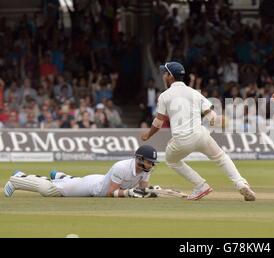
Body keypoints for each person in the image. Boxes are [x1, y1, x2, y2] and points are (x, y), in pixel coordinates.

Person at [141, 62, 256, 201]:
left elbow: (158, 123)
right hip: (201, 135)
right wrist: (215, 120)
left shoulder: (164, 96)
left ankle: (201, 185)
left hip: (182, 140)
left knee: (171, 160)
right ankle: (240, 183)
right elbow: (210, 113)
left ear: (170, 76)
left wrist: (148, 134)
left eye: (165, 73)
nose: (163, 76)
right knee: (221, 157)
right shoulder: (194, 92)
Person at [4, 145, 159, 198]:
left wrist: (151, 191)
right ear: (139, 159)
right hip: (93, 187)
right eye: (149, 161)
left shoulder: (146, 170)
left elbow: (142, 190)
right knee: (50, 190)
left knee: (71, 182)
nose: (151, 165)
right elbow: (111, 193)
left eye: (152, 163)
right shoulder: (121, 167)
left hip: (100, 180)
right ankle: (18, 178)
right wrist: (129, 193)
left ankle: (61, 176)